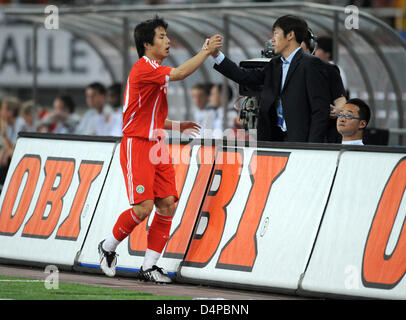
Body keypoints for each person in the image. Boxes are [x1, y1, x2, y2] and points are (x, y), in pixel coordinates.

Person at [97, 15, 222, 283]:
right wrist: (205, 51)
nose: (168, 41)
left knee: (167, 204)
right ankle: (107, 246)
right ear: (147, 43)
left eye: (167, 36)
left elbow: (148, 115)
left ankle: (149, 266)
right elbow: (179, 73)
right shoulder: (144, 68)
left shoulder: (154, 70)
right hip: (137, 145)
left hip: (157, 144)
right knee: (143, 208)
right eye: (162, 36)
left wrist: (176, 126)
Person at [211, 15, 330, 143]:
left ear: (290, 35)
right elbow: (244, 76)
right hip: (273, 139)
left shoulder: (312, 65)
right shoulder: (274, 65)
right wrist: (217, 55)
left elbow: (320, 111)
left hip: (301, 142)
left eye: (276, 34)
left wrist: (313, 147)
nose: (272, 40)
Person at [301, 29, 346, 143]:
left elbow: (340, 98)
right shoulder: (280, 68)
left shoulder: (330, 70)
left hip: (321, 135)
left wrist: (337, 109)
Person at [0, 97, 21, 193]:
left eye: (3, 109)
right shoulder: (9, 124)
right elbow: (8, 146)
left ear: (10, 112)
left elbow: (13, 153)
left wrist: (4, 134)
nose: (0, 111)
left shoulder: (20, 125)